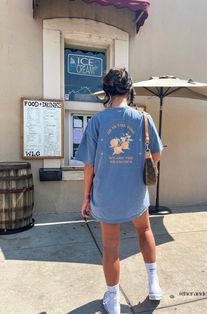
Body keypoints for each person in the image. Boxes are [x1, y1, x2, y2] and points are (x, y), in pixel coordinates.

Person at [75, 67, 164, 314]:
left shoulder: (97, 122)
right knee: (145, 230)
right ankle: (154, 285)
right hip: (135, 193)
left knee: (111, 247)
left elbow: (89, 165)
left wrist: (86, 197)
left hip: (106, 195)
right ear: (130, 89)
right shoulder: (144, 119)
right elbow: (156, 153)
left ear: (107, 91)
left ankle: (113, 301)